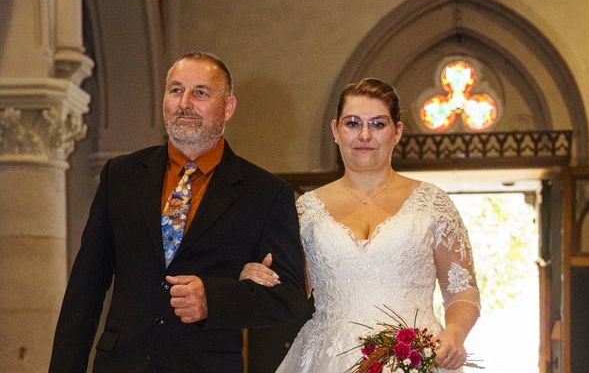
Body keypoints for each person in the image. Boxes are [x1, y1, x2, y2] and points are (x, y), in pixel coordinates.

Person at [49, 51, 307, 373]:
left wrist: (214, 298)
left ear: (228, 107)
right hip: (120, 363)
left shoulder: (265, 194)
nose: (185, 102)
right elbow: (84, 290)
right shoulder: (121, 176)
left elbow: (291, 297)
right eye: (175, 90)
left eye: (200, 92)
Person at [241, 78, 480, 372]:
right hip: (327, 357)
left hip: (414, 356)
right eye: (352, 123)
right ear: (335, 130)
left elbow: (462, 290)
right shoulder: (306, 210)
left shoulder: (433, 204)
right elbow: (292, 291)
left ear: (398, 131)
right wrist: (261, 278)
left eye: (378, 124)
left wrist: (455, 333)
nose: (364, 135)